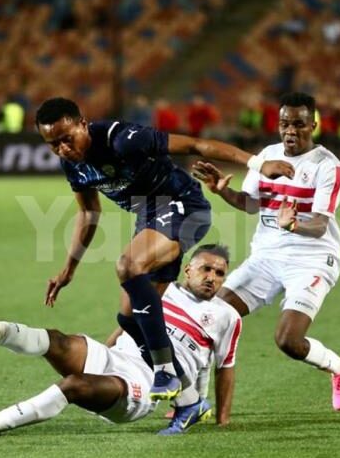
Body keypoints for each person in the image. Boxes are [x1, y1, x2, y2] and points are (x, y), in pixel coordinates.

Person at [34, 98, 291, 408]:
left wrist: (258, 163)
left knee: (128, 266)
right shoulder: (72, 165)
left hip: (184, 205)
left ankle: (165, 371)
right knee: (130, 319)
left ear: (83, 123)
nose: (62, 148)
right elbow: (89, 212)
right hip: (149, 217)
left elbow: (196, 144)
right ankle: (190, 398)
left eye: (66, 138)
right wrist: (69, 268)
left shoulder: (123, 139)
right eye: (53, 144)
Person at [0, 244, 241, 437]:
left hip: (148, 384)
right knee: (58, 341)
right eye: (206, 269)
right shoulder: (162, 290)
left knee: (75, 385)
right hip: (117, 357)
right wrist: (105, 350)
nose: (212, 277)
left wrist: (221, 419)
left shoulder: (227, 316)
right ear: (188, 270)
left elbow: (223, 367)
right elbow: (130, 324)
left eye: (219, 273)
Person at [191, 92, 340, 412]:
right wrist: (223, 191)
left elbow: (321, 224)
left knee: (288, 341)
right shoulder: (267, 156)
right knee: (207, 318)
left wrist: (293, 226)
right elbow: (250, 204)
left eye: (299, 124)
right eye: (285, 124)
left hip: (311, 259)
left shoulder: (328, 166)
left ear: (314, 125)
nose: (291, 131)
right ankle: (195, 402)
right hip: (266, 258)